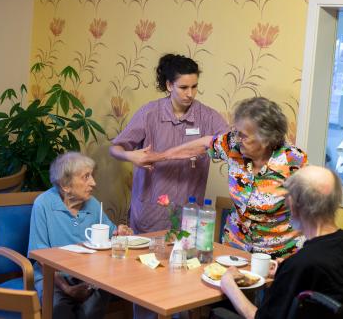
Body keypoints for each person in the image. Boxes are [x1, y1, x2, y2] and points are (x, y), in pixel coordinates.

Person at [148, 97, 307, 259]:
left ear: (265, 138)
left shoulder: (293, 160)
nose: (237, 139)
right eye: (236, 133)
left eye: (243, 136)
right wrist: (160, 156)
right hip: (235, 247)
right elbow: (204, 144)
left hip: (278, 254)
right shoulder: (233, 144)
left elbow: (309, 210)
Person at [219, 165, 343, 319]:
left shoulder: (301, 265)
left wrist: (229, 285)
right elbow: (330, 285)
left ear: (293, 205)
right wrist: (283, 270)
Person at [109, 54, 228, 233]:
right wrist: (130, 155)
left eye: (194, 87)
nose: (190, 94)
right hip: (150, 213)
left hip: (189, 215)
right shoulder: (149, 113)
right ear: (169, 85)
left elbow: (231, 144)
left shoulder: (208, 117)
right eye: (183, 87)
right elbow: (115, 148)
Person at [28, 152, 133, 319]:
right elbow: (41, 256)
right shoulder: (43, 204)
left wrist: (120, 232)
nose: (93, 183)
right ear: (65, 185)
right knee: (59, 307)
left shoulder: (92, 203)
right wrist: (66, 288)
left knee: (92, 309)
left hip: (90, 276)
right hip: (54, 277)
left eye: (92, 175)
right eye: (86, 177)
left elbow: (112, 234)